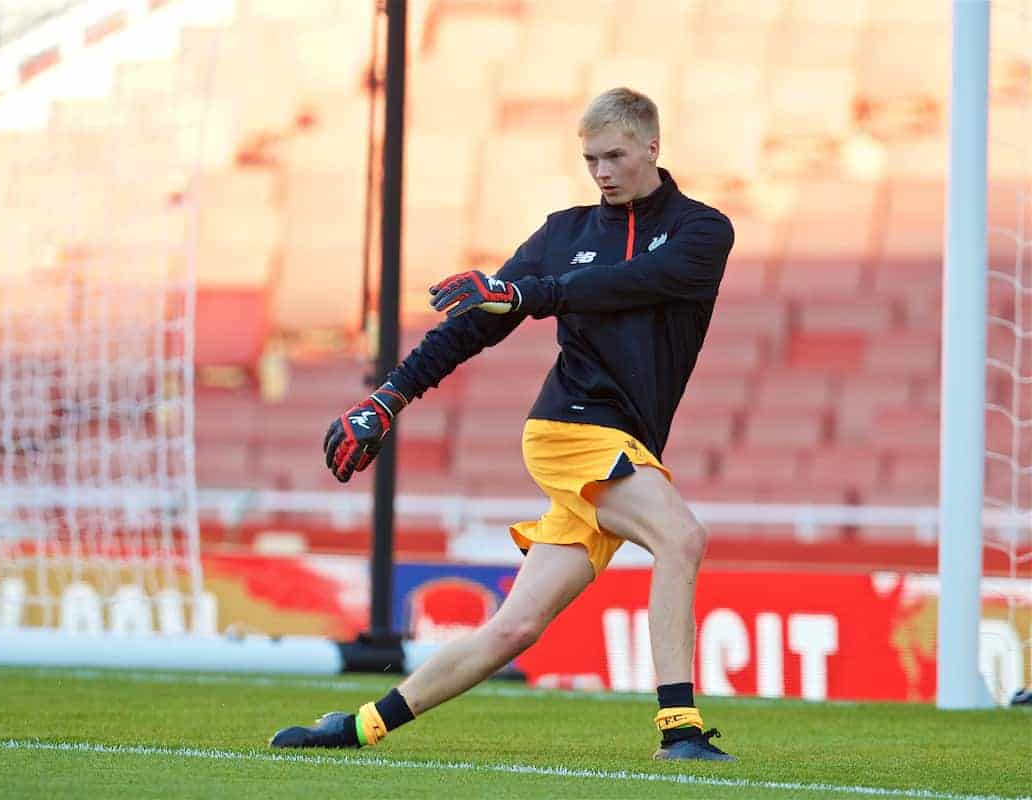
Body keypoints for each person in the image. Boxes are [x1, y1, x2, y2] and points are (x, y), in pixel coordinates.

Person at [270, 87, 735, 761]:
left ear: (652, 147)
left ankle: (358, 725)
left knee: (514, 630)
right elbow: (475, 325)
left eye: (614, 156)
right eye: (590, 159)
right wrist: (390, 397)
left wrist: (527, 293)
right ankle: (681, 731)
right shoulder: (562, 233)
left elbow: (633, 282)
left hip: (626, 443)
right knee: (682, 537)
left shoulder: (702, 231)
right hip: (571, 430)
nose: (601, 172)